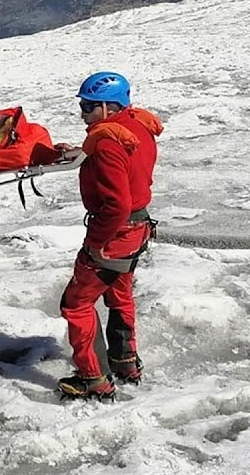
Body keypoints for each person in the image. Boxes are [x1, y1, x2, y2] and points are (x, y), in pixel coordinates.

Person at [54, 71, 164, 399]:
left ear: (107, 106)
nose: (83, 113)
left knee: (76, 303)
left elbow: (116, 204)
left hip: (115, 234)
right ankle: (125, 361)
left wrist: (97, 245)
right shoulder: (136, 126)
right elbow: (125, 163)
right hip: (138, 229)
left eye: (88, 107)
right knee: (119, 294)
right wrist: (82, 152)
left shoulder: (106, 142)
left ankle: (93, 379)